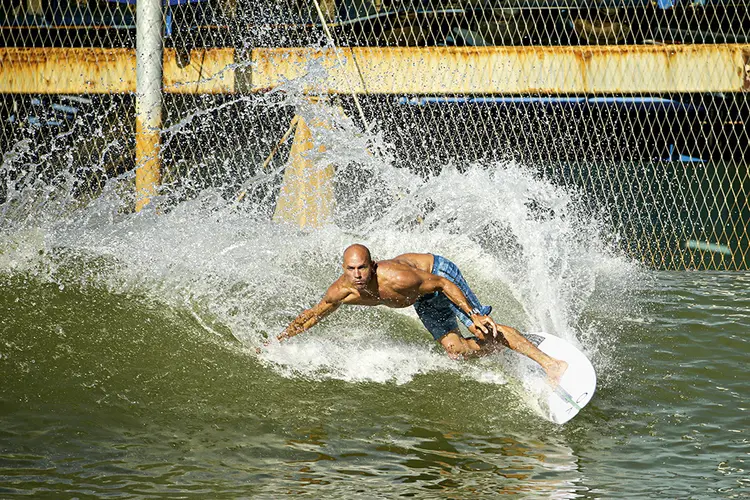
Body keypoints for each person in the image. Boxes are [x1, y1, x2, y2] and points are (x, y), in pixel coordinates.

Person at [273, 244, 567, 384]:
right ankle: (508, 343)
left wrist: (472, 315)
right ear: (344, 269)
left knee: (479, 329)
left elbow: (442, 284)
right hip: (422, 299)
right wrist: (282, 338)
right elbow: (313, 315)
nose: (358, 274)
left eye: (362, 267)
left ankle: (551, 364)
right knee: (456, 350)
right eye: (351, 269)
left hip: (437, 276)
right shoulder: (342, 292)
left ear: (372, 265)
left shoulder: (397, 278)